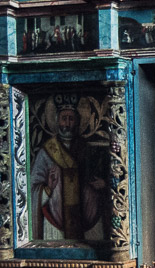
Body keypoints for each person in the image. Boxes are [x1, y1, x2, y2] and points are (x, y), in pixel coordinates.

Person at [31, 98, 105, 240]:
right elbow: (31, 188)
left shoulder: (87, 149)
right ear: (57, 121)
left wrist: (102, 185)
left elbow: (103, 177)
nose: (67, 123)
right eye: (64, 119)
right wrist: (47, 188)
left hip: (88, 219)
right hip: (54, 221)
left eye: (71, 119)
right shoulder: (46, 152)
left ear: (77, 122)